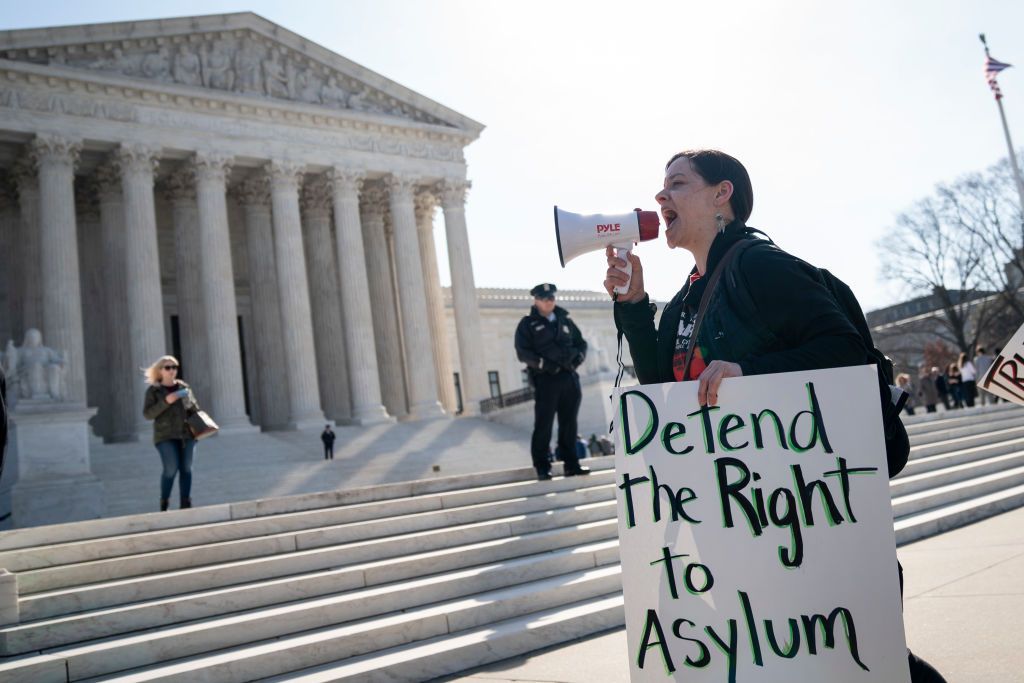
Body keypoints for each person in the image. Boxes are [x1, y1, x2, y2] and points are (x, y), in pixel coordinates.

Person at [604, 148, 946, 683]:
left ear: (724, 195)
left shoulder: (759, 266)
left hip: (805, 517)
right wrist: (633, 303)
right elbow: (660, 390)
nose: (660, 196)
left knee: (862, 659)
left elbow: (845, 352)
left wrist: (750, 372)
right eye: (661, 185)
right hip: (739, 520)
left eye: (678, 183)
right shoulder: (684, 301)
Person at [515, 283, 590, 481]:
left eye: (552, 298)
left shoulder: (565, 320)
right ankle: (542, 466)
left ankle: (571, 464)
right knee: (544, 424)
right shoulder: (528, 324)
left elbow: (581, 344)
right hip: (546, 379)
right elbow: (523, 352)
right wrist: (543, 365)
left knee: (569, 423)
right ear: (536, 300)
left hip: (569, 377)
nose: (549, 301)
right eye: (545, 298)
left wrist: (577, 360)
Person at [142, 355, 200, 511]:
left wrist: (189, 402)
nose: (172, 371)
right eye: (168, 367)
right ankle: (164, 500)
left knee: (186, 468)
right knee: (171, 468)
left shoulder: (184, 387)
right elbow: (148, 414)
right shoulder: (154, 391)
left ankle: (185, 502)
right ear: (160, 370)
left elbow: (195, 410)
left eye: (174, 367)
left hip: (187, 434)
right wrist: (167, 401)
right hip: (165, 436)